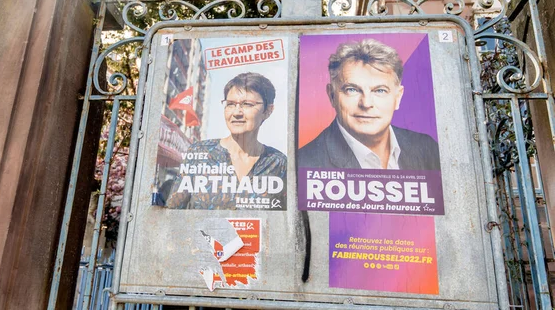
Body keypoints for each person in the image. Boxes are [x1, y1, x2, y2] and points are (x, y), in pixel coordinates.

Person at [298, 39, 440, 170]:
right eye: (352, 90)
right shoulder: (306, 161)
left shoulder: (427, 147)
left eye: (380, 90)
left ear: (398, 97)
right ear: (332, 95)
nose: (366, 103)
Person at [165, 72, 287, 210]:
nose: (236, 112)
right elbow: (172, 213)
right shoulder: (200, 154)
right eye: (230, 104)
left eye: (247, 104)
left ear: (268, 110)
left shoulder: (278, 164)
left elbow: (284, 221)